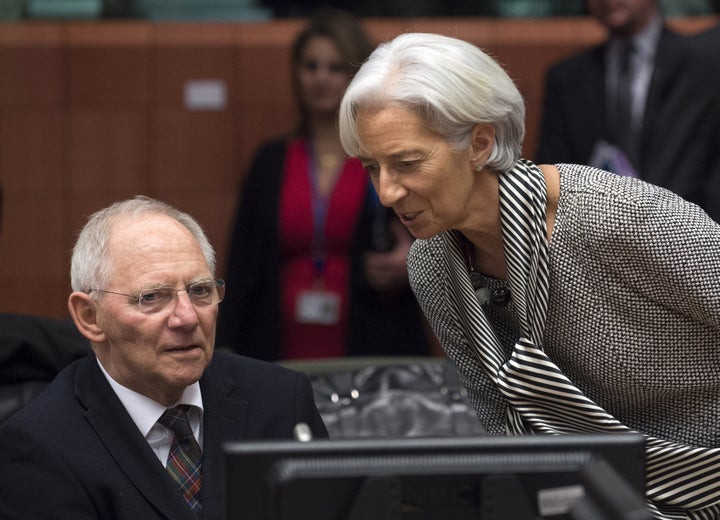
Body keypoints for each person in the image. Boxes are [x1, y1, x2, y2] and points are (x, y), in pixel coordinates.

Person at [338, 32, 720, 518]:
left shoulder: (615, 217)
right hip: (589, 502)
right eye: (372, 167)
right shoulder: (433, 266)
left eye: (407, 163)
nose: (387, 192)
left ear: (480, 142)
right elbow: (503, 428)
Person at [0, 196, 328, 520]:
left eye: (200, 291)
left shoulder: (281, 400)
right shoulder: (41, 445)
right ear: (90, 317)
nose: (187, 318)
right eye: (152, 297)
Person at [218, 8, 433, 361]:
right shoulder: (271, 160)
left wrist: (410, 261)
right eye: (310, 66)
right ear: (296, 74)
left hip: (373, 336)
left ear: (360, 76)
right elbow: (243, 264)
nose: (321, 78)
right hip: (273, 342)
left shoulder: (387, 156)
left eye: (336, 68)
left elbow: (437, 235)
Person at [536, 0, 720, 220]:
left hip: (690, 233)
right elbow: (552, 176)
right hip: (595, 237)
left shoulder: (704, 66)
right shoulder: (567, 78)